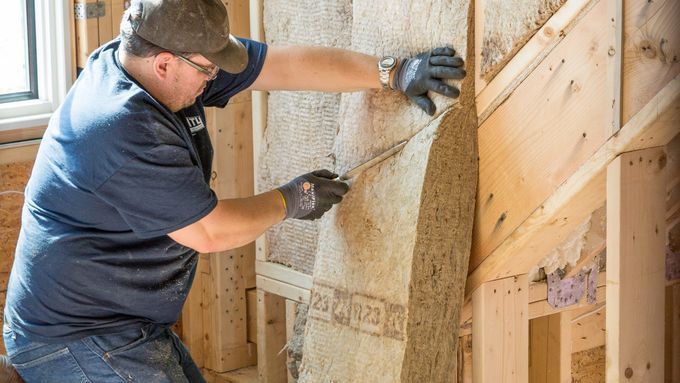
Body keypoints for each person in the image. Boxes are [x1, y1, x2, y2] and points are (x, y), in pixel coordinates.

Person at [2, 0, 466, 381]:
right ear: (163, 62)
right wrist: (292, 198)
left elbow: (281, 66)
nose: (213, 79)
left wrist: (392, 72)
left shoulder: (166, 60)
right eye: (206, 71)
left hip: (125, 322)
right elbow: (209, 231)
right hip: (74, 336)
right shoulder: (119, 127)